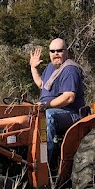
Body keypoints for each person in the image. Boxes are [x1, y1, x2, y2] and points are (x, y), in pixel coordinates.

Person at [30, 38, 85, 170]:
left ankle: (44, 165)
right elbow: (41, 84)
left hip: (70, 112)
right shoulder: (50, 67)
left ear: (66, 51)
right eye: (53, 51)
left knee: (47, 118)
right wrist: (33, 68)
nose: (56, 54)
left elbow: (68, 97)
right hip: (47, 108)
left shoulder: (70, 69)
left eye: (59, 50)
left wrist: (46, 105)